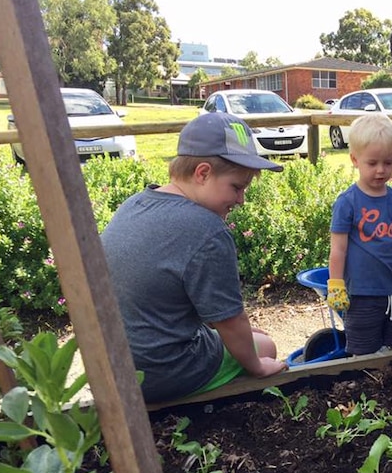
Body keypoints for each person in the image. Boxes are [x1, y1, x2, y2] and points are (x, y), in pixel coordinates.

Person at [101, 112, 287, 403]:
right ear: (202, 173)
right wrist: (256, 365)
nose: (241, 200)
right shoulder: (207, 230)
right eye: (237, 188)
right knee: (264, 346)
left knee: (248, 337)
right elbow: (229, 319)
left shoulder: (135, 204)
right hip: (162, 373)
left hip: (112, 369)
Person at [327, 113, 392, 355]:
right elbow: (339, 248)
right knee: (363, 355)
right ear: (355, 160)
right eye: (372, 163)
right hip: (362, 296)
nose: (381, 170)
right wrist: (336, 283)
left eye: (388, 163)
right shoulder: (348, 202)